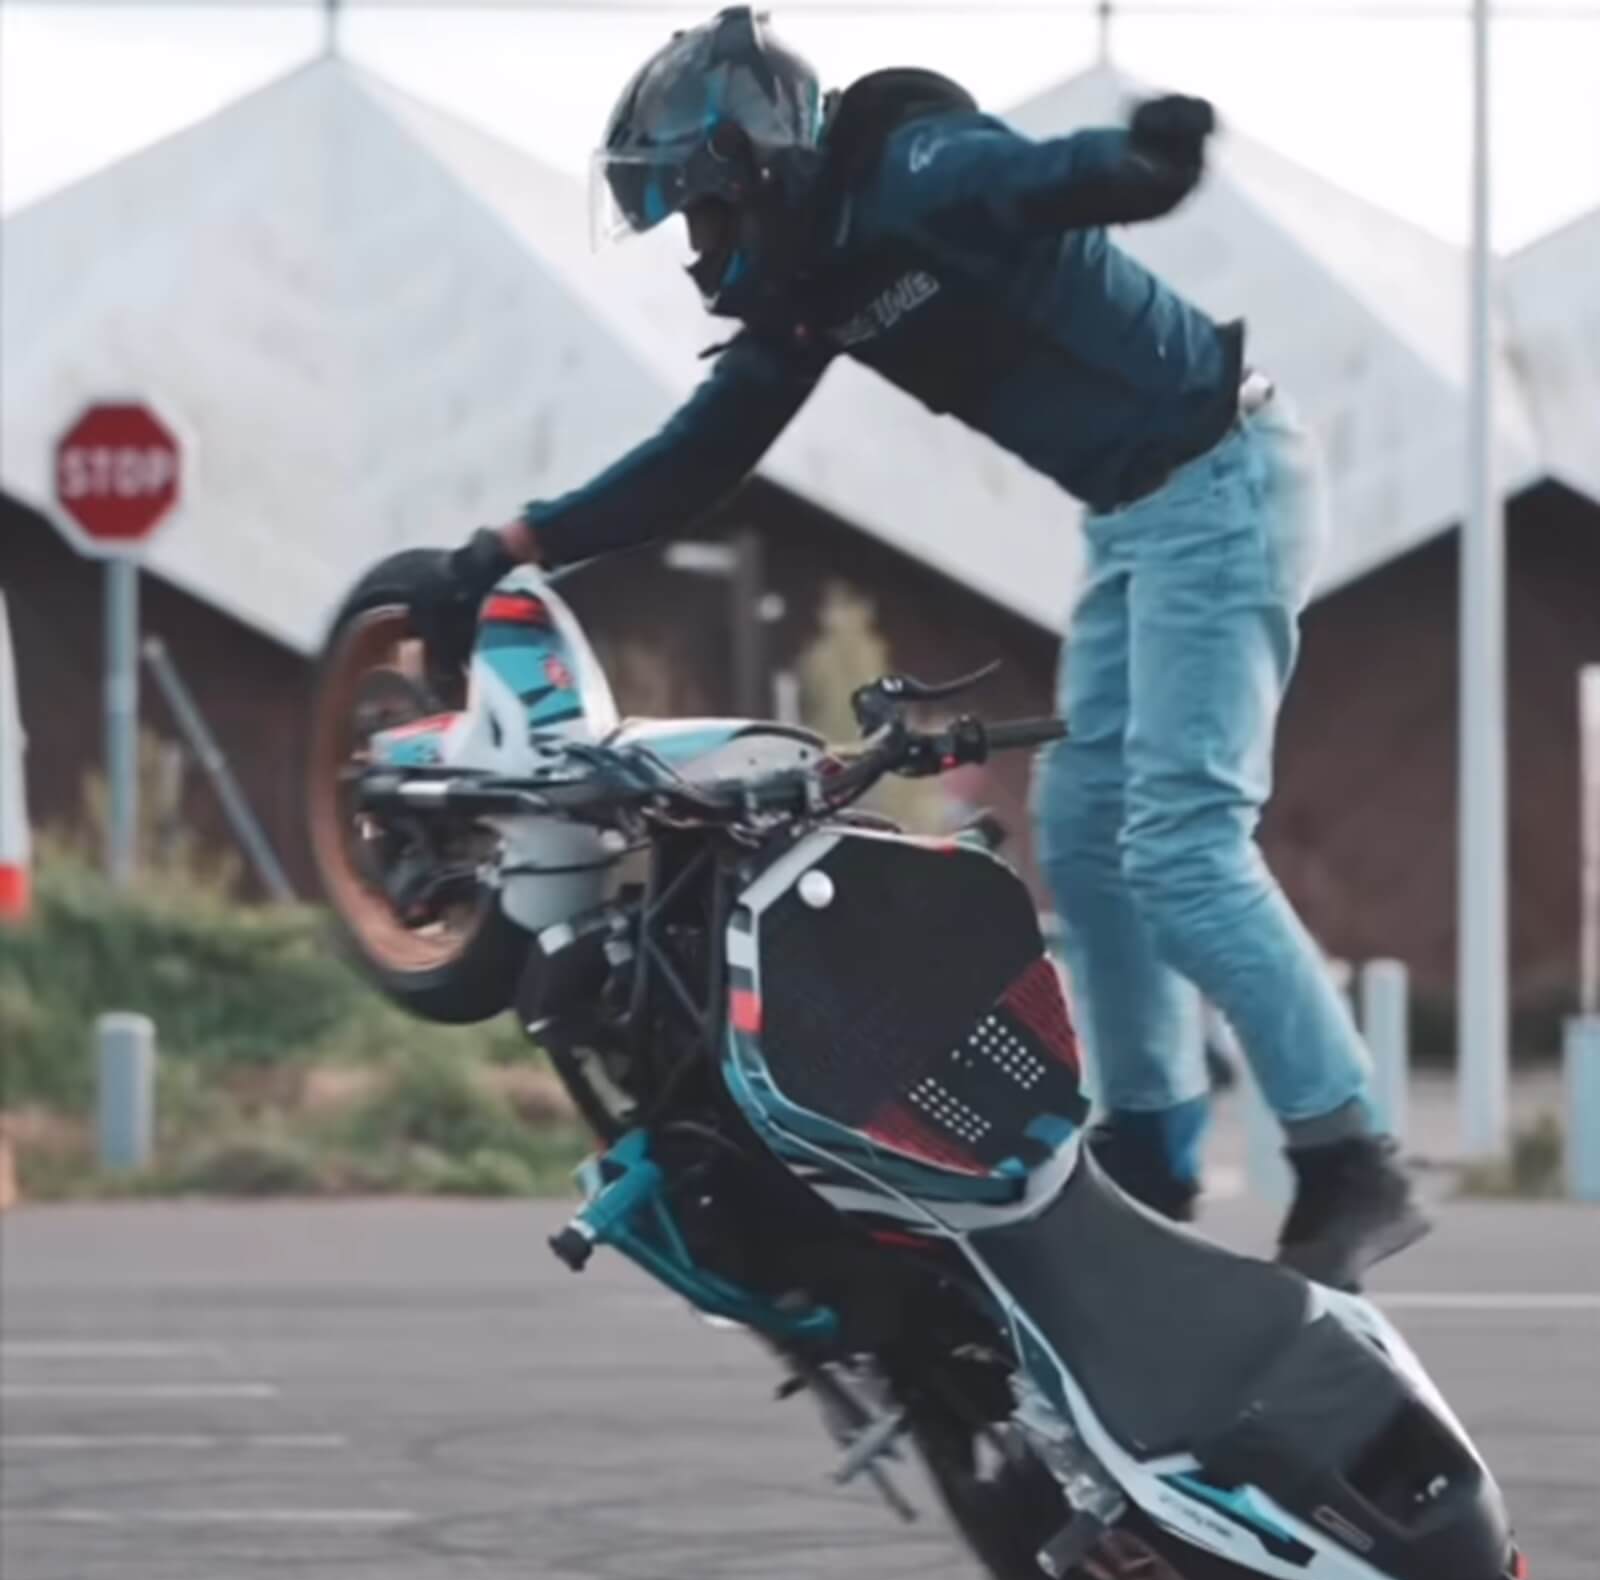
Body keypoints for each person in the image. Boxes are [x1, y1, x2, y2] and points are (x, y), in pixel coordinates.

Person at [408, 5, 1427, 1289]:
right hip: (1141, 516)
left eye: (699, 212)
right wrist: (510, 545)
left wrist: (1141, 167)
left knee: (1179, 841)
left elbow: (1034, 180)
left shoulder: (907, 169)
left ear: (755, 164)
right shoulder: (814, 288)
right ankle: (1153, 1144)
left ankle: (1351, 1159)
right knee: (1087, 832)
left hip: (1220, 483)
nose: (697, 251)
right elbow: (695, 461)